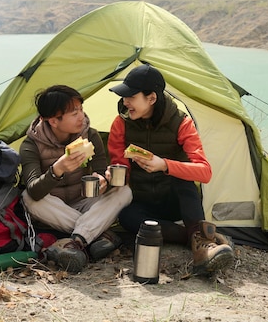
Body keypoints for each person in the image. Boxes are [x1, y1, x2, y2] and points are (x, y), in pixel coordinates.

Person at [108, 64, 234, 275]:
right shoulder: (121, 124)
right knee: (127, 217)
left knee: (183, 179)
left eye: (131, 96)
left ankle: (203, 248)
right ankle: (198, 238)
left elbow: (205, 172)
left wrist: (164, 165)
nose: (125, 102)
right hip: (143, 201)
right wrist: (111, 175)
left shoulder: (181, 123)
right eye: (124, 96)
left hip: (175, 201)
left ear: (152, 98)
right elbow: (119, 167)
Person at [20, 85, 132, 273]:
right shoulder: (31, 144)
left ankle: (76, 241)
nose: (81, 116)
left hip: (84, 201)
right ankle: (97, 234)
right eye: (74, 113)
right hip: (54, 209)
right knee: (28, 198)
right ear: (53, 121)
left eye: (81, 109)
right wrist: (58, 169)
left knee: (125, 190)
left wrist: (104, 179)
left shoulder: (90, 135)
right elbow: (33, 189)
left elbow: (100, 169)